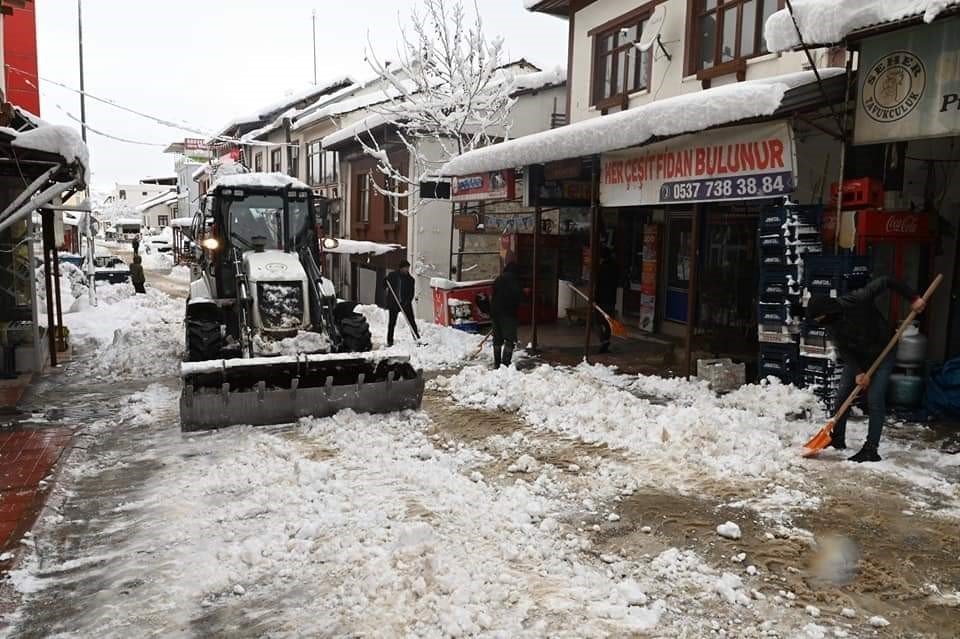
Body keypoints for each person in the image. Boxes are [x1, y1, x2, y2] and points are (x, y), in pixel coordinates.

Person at [806, 276, 926, 462]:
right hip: (858, 357)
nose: (822, 322)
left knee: (875, 397)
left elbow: (887, 280)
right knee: (842, 397)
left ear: (829, 310)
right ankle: (837, 438)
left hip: (883, 351)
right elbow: (843, 349)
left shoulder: (858, 299)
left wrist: (913, 298)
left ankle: (871, 448)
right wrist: (859, 372)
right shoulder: (831, 325)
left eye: (821, 317)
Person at [490, 261, 523, 369]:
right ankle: (505, 364)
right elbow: (517, 296)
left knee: (497, 339)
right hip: (508, 314)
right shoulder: (514, 280)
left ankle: (497, 363)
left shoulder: (498, 279)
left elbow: (493, 295)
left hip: (495, 313)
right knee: (509, 339)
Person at [384, 259, 419, 347]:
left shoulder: (411, 280)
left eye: (408, 268)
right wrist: (384, 281)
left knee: (411, 321)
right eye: (405, 268)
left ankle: (417, 338)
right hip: (394, 303)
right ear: (400, 268)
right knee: (392, 323)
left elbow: (411, 293)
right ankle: (390, 341)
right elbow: (384, 286)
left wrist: (406, 302)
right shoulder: (392, 275)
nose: (407, 269)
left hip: (405, 304)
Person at [595, 249, 620, 354]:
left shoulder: (601, 269)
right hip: (611, 300)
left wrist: (595, 299)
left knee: (597, 322)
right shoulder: (615, 268)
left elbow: (598, 285)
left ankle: (603, 341)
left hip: (601, 300)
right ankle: (606, 340)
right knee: (609, 323)